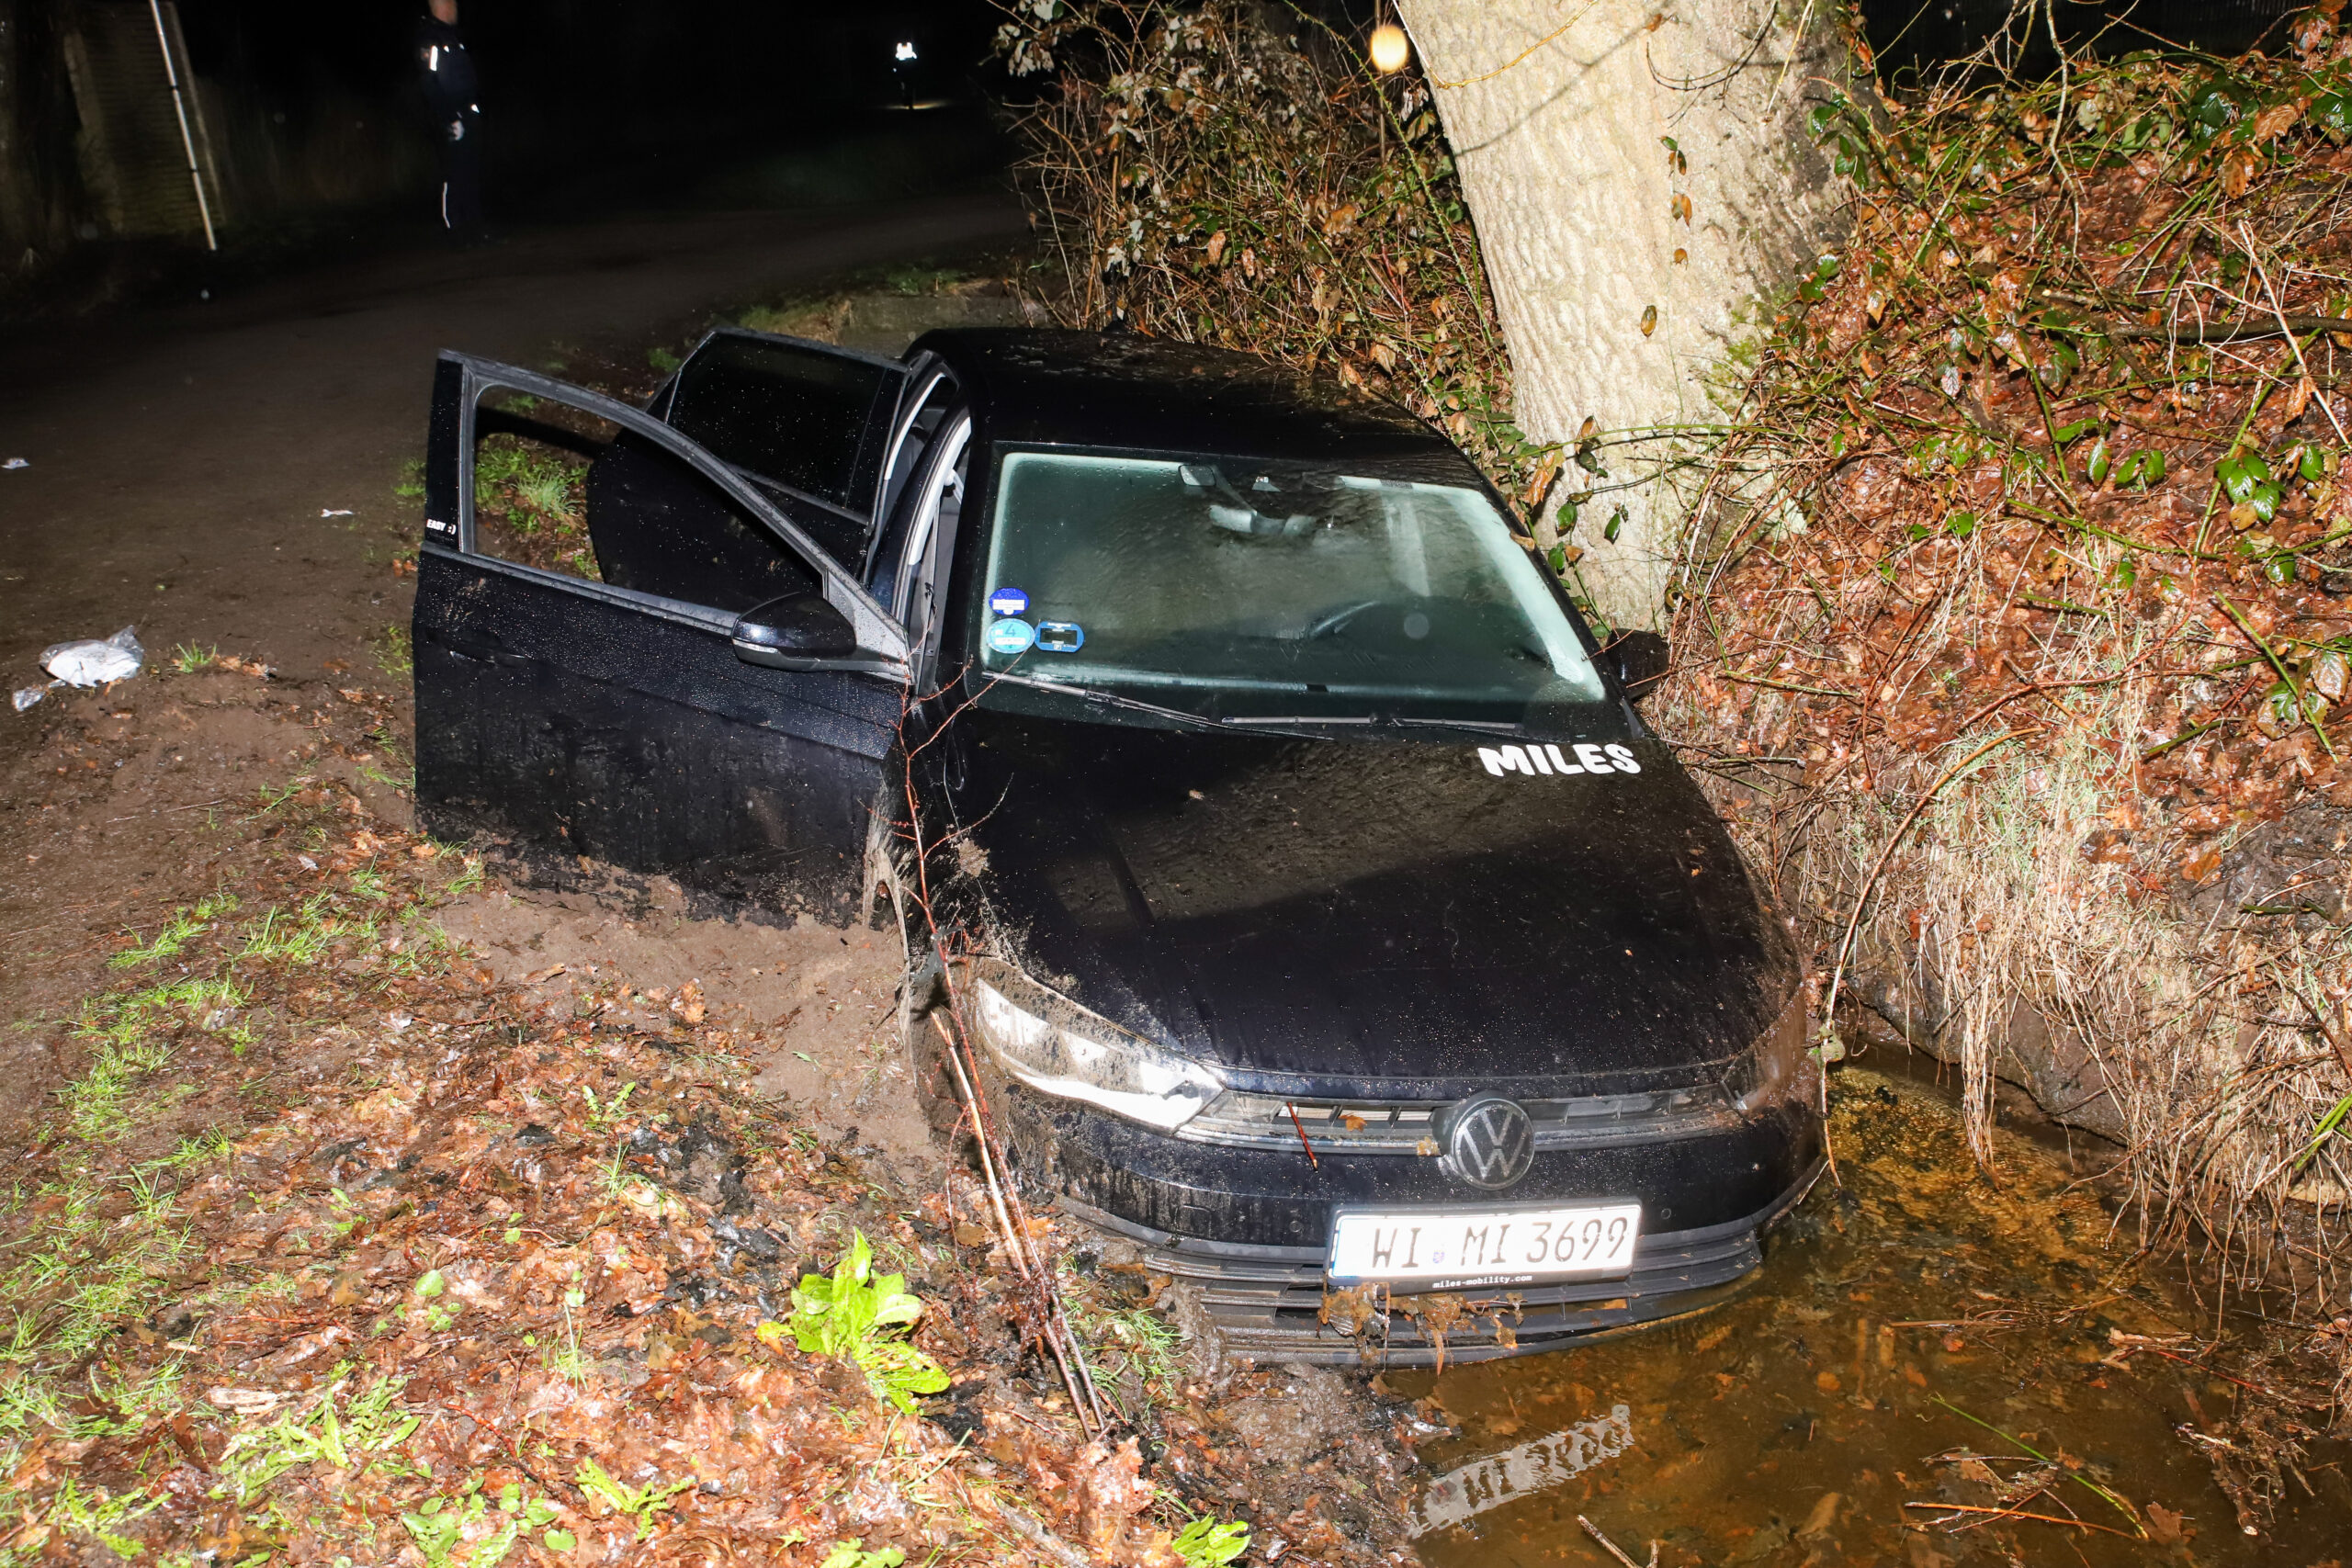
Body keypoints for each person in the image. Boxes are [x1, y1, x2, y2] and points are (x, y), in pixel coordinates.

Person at [416, 0, 484, 242]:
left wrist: (471, 110)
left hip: (467, 114)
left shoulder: (453, 37)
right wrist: (450, 117)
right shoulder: (431, 38)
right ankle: (454, 229)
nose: (455, 9)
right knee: (454, 173)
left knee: (470, 171)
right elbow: (430, 83)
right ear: (441, 7)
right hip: (451, 119)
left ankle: (475, 228)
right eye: (451, 4)